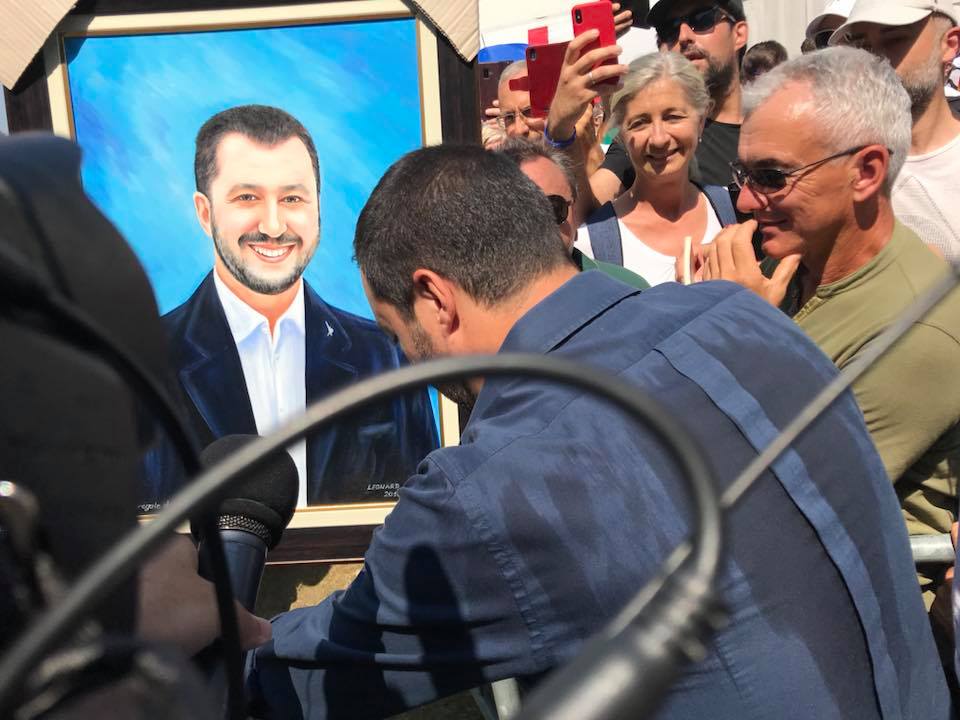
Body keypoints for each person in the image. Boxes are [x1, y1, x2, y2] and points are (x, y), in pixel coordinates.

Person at [230, 144, 948, 718]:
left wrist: (214, 624)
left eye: (397, 335)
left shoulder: (490, 488)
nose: (405, 358)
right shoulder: (746, 316)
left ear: (435, 299)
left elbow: (306, 680)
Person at [694, 46, 960, 613]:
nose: (746, 200)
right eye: (743, 174)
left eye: (772, 177)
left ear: (866, 172)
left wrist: (734, 334)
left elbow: (767, 503)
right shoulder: (784, 263)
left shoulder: (917, 329)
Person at [145, 105, 438, 507]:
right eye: (247, 197)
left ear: (317, 207)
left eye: (292, 198)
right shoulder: (141, 364)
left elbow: (422, 507)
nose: (273, 225)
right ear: (204, 212)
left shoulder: (384, 355)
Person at [575, 52, 737, 285]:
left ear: (701, 121)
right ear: (621, 135)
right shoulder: (592, 243)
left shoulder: (734, 211)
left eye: (673, 117)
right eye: (640, 123)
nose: (659, 139)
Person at [832, 0, 960, 261]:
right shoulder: (834, 165)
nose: (875, 60)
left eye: (894, 39)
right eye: (861, 45)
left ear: (949, 44)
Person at [592, 0, 748, 203]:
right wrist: (563, 131)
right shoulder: (648, 139)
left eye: (702, 19)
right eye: (669, 29)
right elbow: (588, 208)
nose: (683, 36)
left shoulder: (774, 127)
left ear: (739, 34)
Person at [497, 136, 650, 289]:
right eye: (518, 212)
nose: (537, 226)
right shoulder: (481, 300)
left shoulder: (628, 290)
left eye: (553, 208)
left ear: (575, 213)